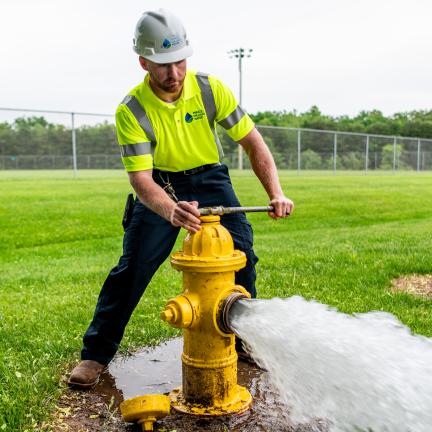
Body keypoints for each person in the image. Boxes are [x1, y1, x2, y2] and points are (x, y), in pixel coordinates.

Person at [68, 8, 294, 388]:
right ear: (143, 61)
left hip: (210, 178)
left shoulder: (209, 88)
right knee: (133, 267)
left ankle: (242, 339)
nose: (173, 74)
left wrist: (276, 192)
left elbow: (253, 143)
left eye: (178, 62)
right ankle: (95, 354)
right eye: (161, 65)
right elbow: (140, 179)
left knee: (242, 259)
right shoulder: (132, 109)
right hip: (162, 186)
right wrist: (171, 211)